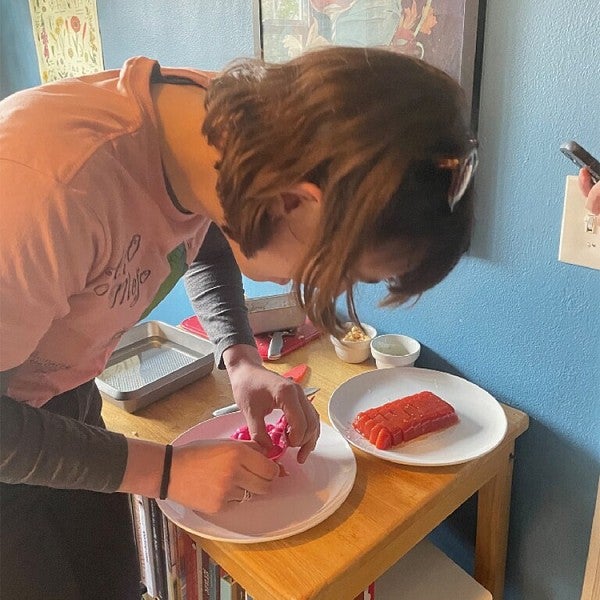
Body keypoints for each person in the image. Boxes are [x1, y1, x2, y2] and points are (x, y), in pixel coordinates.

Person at [0, 46, 476, 598]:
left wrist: (242, 358)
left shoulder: (227, 142)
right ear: (296, 202)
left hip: (63, 401)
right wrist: (166, 472)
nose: (328, 288)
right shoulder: (45, 195)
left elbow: (207, 226)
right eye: (338, 268)